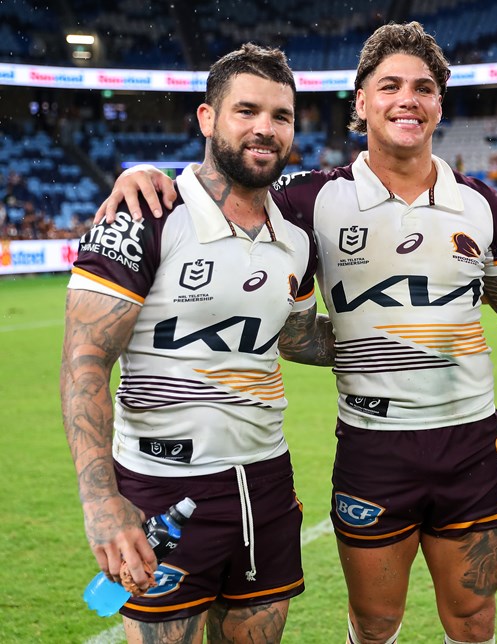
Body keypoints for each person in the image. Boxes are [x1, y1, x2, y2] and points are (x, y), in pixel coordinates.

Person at [93, 23, 497, 644]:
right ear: (360, 102)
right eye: (389, 86)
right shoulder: (307, 203)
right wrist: (148, 176)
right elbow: (228, 184)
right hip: (372, 446)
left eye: (424, 88)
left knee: (473, 618)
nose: (407, 99)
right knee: (377, 621)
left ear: (439, 103)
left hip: (470, 447)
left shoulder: (483, 206)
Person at [61, 44, 333, 643]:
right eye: (247, 111)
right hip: (162, 489)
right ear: (208, 119)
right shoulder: (145, 216)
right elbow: (85, 363)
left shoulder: (293, 237)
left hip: (266, 485)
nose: (265, 128)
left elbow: (297, 339)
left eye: (281, 116)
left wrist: (409, 329)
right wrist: (101, 501)